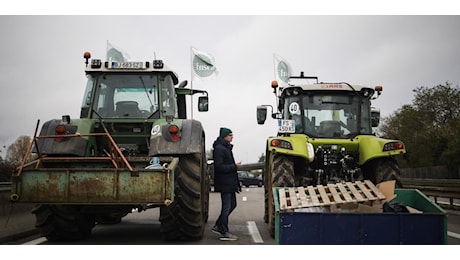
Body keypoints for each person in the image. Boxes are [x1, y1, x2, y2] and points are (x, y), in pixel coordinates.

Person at [211, 127, 241, 241]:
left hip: (229, 183)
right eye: (230, 135)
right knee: (227, 206)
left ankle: (219, 225)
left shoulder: (226, 148)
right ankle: (224, 231)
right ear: (225, 136)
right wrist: (234, 166)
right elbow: (218, 167)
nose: (232, 137)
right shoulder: (219, 149)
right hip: (225, 183)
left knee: (233, 204)